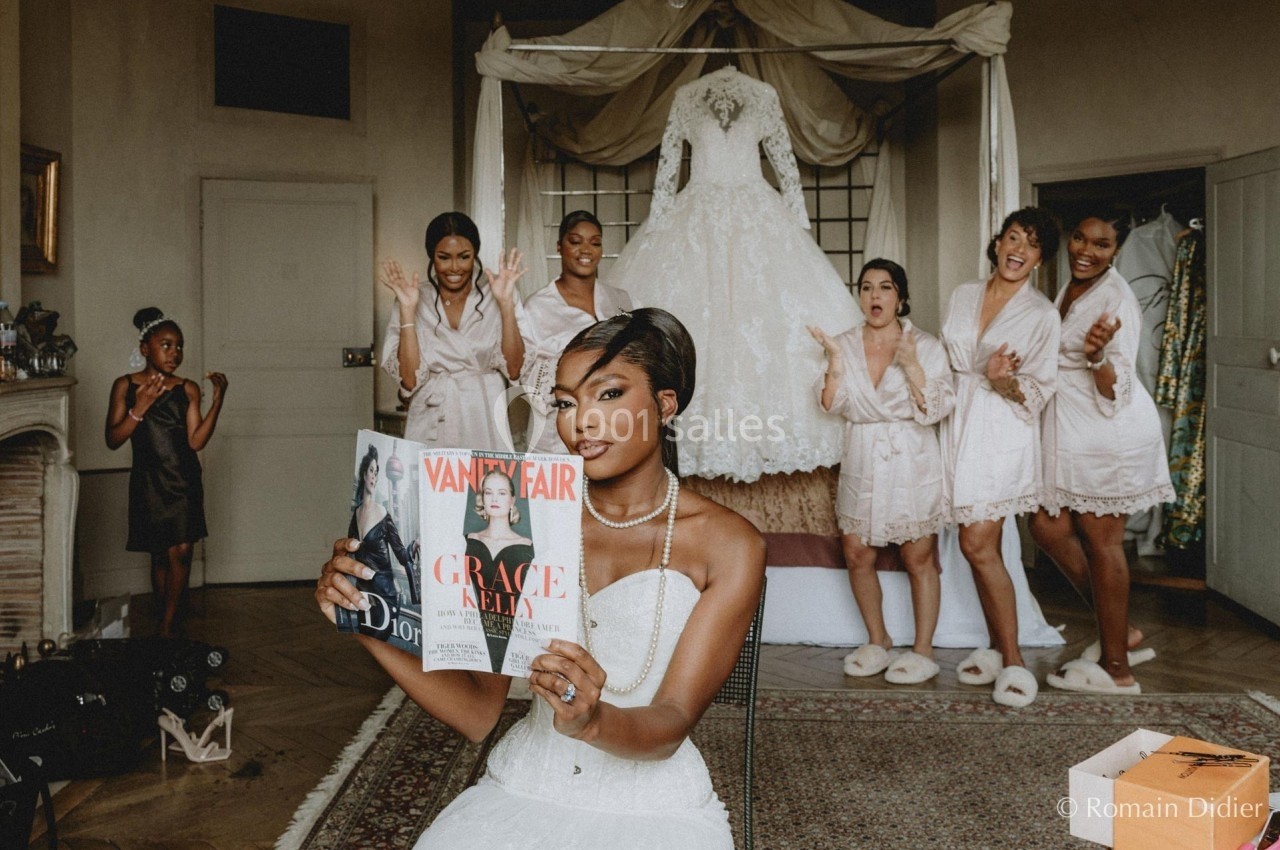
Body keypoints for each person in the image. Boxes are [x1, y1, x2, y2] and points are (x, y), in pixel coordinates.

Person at [317, 308, 765, 850]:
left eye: (608, 394)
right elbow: (477, 713)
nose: (582, 422)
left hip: (654, 804)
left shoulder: (731, 546)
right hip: (524, 785)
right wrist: (366, 621)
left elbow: (671, 721)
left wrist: (591, 722)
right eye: (566, 403)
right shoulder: (521, 519)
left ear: (664, 405)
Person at [607, 65, 858, 481]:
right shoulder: (687, 96)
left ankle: (763, 441)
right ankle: (697, 442)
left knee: (760, 318)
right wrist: (660, 220)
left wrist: (796, 224)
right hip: (698, 212)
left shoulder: (764, 95)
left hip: (756, 210)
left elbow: (785, 165)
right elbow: (668, 168)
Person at [1030, 214, 1175, 695]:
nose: (1086, 250)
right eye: (1079, 238)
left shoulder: (1116, 298)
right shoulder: (1071, 287)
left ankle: (1117, 670)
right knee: (1047, 526)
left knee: (1102, 543)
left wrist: (1096, 358)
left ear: (1116, 250)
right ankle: (1122, 631)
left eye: (1101, 244)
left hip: (1108, 434)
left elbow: (1119, 386)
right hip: (1071, 430)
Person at [810, 259, 954, 685]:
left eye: (885, 287)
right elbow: (830, 404)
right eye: (867, 287)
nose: (875, 295)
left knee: (917, 556)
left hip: (911, 455)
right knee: (857, 553)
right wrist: (836, 363)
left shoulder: (925, 345)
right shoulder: (842, 343)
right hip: (863, 453)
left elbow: (939, 407)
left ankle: (923, 650)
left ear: (901, 298)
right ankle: (878, 640)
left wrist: (912, 366)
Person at [940, 208, 1061, 707]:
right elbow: (947, 359)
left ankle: (1014, 660)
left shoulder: (1042, 315)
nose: (1019, 250)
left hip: (1001, 430)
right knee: (975, 545)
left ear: (1039, 259)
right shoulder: (963, 294)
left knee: (977, 542)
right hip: (956, 422)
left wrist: (1001, 380)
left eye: (1031, 244)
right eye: (1013, 238)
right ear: (997, 244)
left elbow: (1040, 390)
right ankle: (995, 647)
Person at [106, 307, 227, 638]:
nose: (175, 353)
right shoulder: (125, 386)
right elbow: (113, 439)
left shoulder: (187, 389)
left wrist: (217, 401)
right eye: (166, 345)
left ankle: (167, 626)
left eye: (179, 346)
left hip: (184, 481)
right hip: (148, 482)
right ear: (145, 348)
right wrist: (139, 408)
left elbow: (196, 441)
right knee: (160, 554)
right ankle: (166, 614)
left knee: (182, 552)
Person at [380, 211, 526, 448]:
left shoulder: (498, 293)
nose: (455, 267)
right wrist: (407, 310)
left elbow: (515, 369)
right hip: (431, 416)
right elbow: (409, 380)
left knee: (484, 473)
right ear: (432, 256)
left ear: (475, 254)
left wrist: (506, 304)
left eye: (464, 257)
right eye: (444, 257)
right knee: (430, 473)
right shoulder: (414, 297)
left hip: (483, 414)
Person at [519, 209, 632, 453]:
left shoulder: (620, 299)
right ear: (559, 246)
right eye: (575, 241)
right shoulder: (537, 306)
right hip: (555, 434)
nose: (586, 250)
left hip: (610, 427)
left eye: (595, 243)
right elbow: (524, 375)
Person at [465, 469, 534, 672]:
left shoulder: (529, 547)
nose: (494, 498)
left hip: (515, 646)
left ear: (512, 500)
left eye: (502, 493)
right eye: (488, 492)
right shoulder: (466, 541)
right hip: (470, 641)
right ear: (483, 498)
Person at [347, 444, 417, 640]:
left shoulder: (383, 514)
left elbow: (401, 554)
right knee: (366, 641)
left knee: (379, 641)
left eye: (376, 472)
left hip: (386, 597)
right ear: (363, 474)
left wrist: (415, 545)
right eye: (371, 471)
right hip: (364, 596)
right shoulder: (356, 514)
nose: (374, 477)